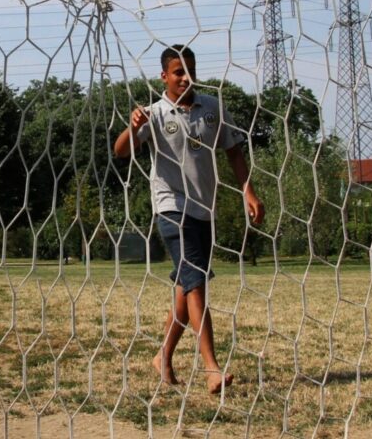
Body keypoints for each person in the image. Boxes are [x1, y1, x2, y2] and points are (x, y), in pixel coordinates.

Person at [113, 44, 265, 394]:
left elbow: (234, 151)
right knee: (196, 282)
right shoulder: (153, 113)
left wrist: (248, 190)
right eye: (178, 72)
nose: (185, 77)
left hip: (203, 207)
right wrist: (131, 126)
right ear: (163, 76)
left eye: (190, 70)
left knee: (186, 286)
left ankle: (162, 356)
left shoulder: (212, 108)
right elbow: (121, 151)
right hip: (170, 207)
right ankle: (211, 366)